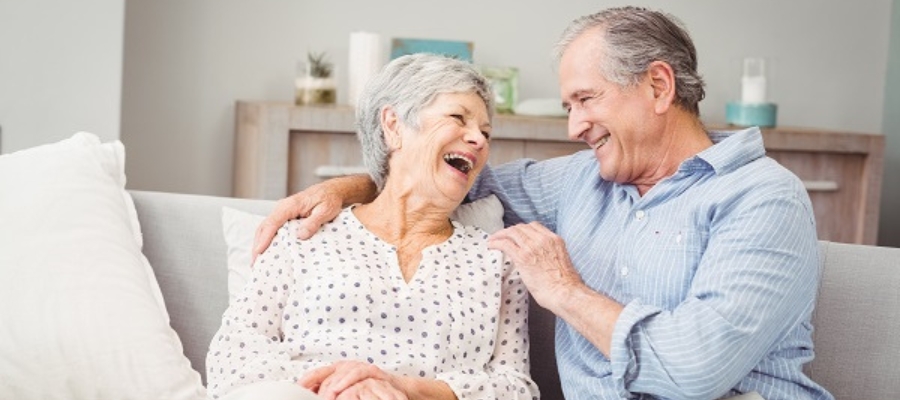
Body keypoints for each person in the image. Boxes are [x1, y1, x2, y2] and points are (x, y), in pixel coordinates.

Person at [253, 7, 833, 400]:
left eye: (586, 100)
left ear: (658, 86)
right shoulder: (583, 181)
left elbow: (695, 368)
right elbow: (443, 181)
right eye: (568, 107)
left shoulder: (761, 199)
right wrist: (347, 187)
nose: (575, 126)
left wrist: (564, 292)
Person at [208, 53, 539, 400]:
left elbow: (516, 388)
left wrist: (401, 388)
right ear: (394, 126)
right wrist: (343, 385)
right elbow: (233, 356)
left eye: (486, 132)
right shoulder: (304, 235)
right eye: (458, 117)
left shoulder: (497, 261)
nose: (479, 139)